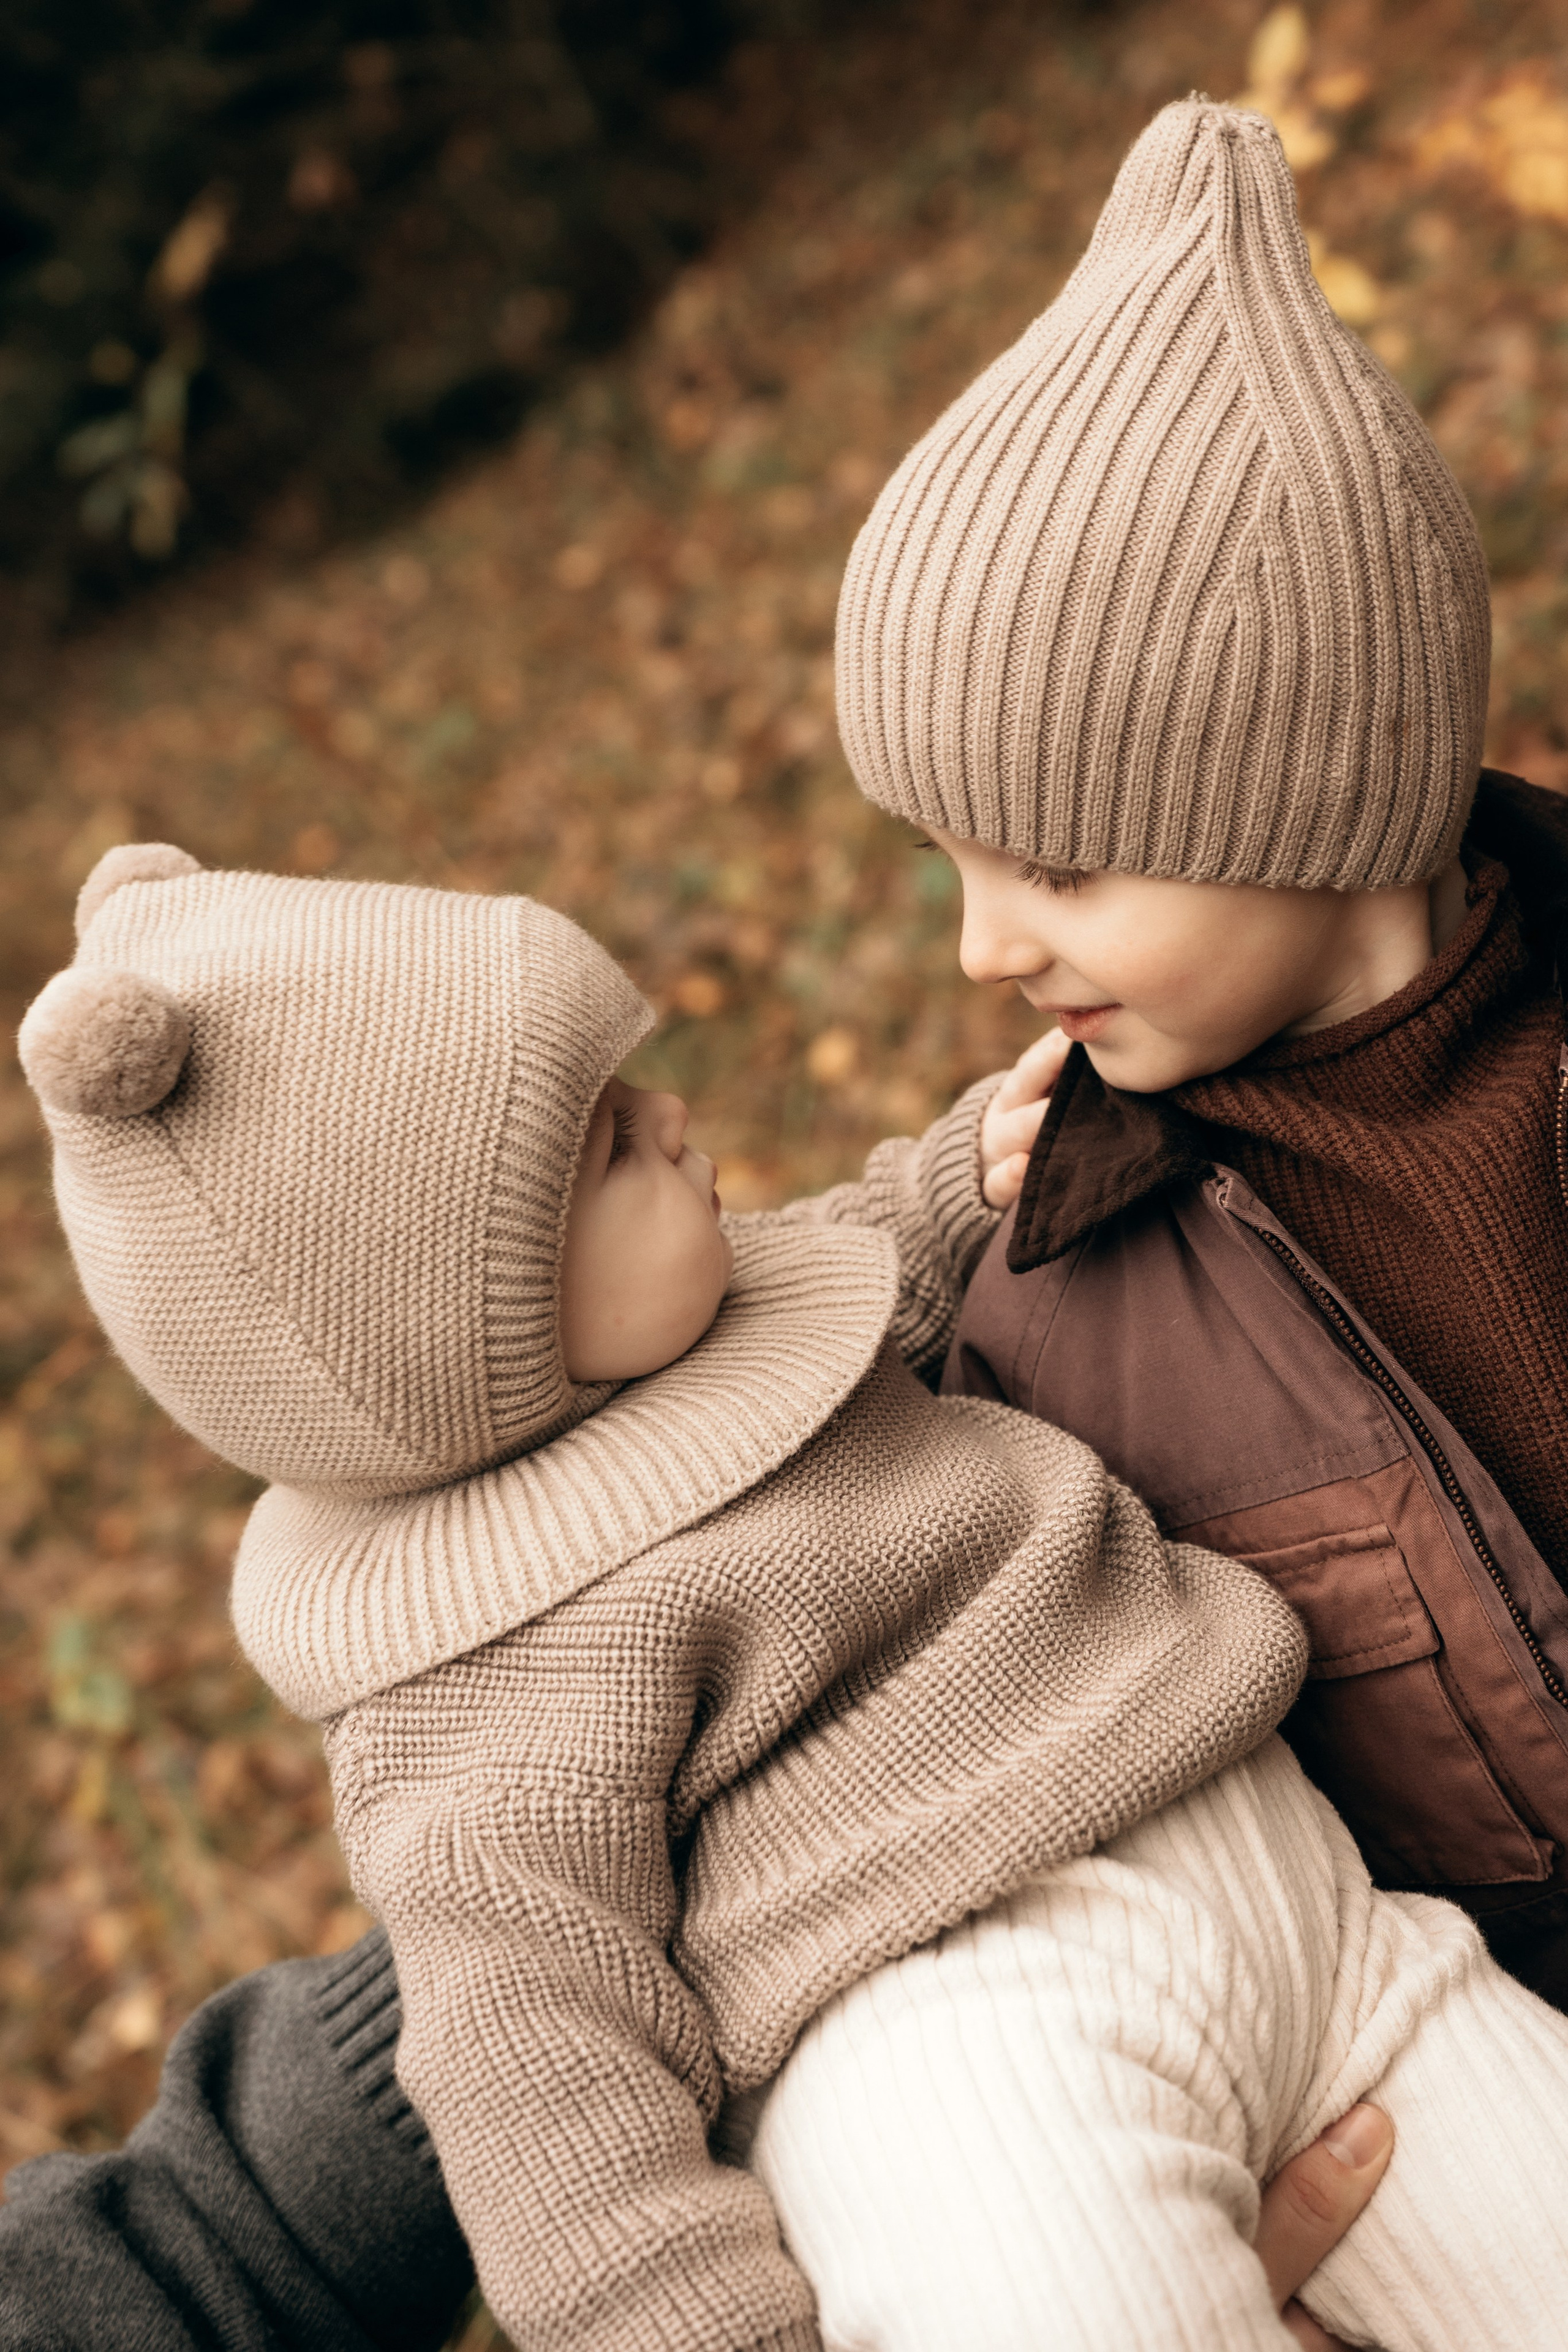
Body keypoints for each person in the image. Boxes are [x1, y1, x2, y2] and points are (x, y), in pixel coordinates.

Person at [16, 835, 1568, 2352]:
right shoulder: (472, 1702)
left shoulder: (726, 1306)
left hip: (1321, 1917)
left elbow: (864, 1247)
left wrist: (966, 1175)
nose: (677, 1114)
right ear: (462, 1327)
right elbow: (544, 2092)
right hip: (966, 2066)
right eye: (613, 1141)